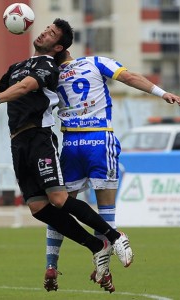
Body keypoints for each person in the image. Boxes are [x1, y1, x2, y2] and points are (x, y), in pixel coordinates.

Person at [0, 19, 133, 289]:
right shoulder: (15, 67)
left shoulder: (48, 66)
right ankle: (96, 246)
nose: (44, 32)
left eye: (51, 33)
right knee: (38, 208)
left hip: (39, 137)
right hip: (18, 141)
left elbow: (23, 88)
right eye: (46, 28)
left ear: (57, 46)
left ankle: (114, 236)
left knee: (58, 198)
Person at [44, 50, 180, 292]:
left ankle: (51, 264)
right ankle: (104, 268)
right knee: (106, 209)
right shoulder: (96, 62)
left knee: (60, 207)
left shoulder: (51, 74)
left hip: (70, 144)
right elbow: (128, 77)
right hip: (98, 139)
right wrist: (161, 93)